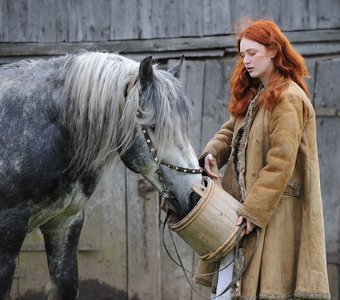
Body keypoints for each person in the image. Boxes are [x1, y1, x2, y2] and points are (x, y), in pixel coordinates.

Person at [200, 19, 330, 299]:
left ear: (273, 50)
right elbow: (229, 131)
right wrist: (211, 153)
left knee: (266, 290)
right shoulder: (254, 94)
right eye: (243, 54)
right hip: (241, 213)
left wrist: (254, 211)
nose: (246, 60)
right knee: (227, 292)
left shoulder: (289, 98)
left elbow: (281, 162)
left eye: (253, 53)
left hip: (274, 217)